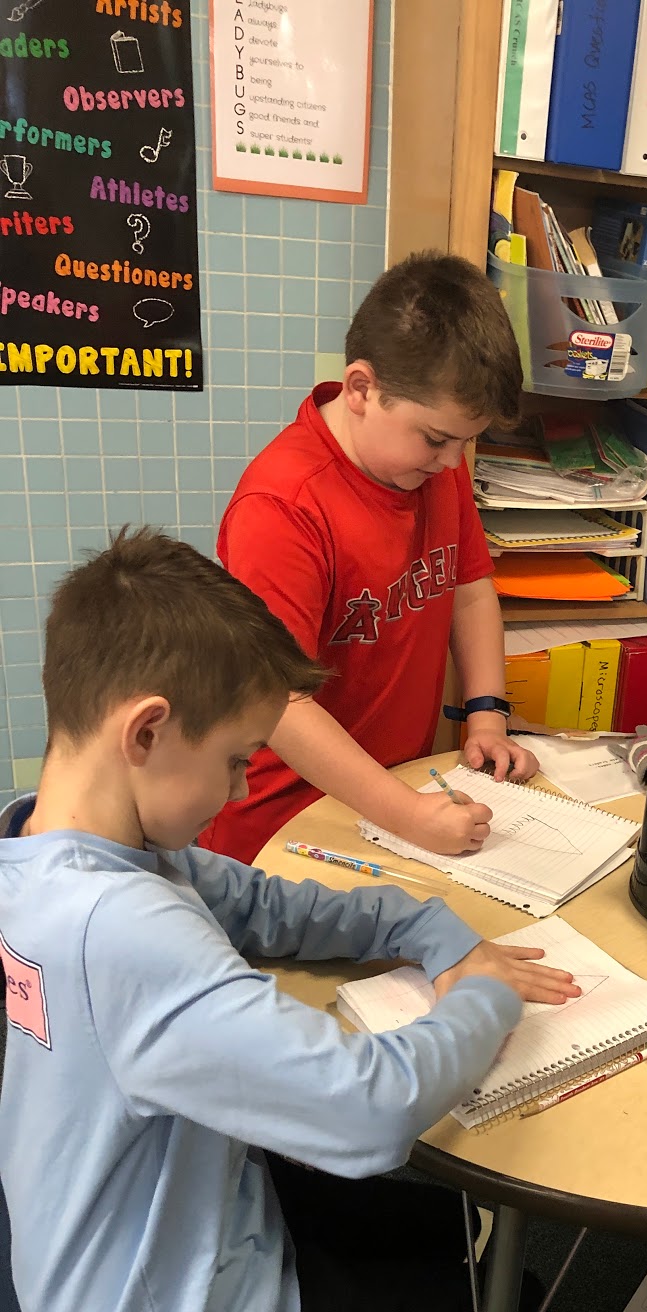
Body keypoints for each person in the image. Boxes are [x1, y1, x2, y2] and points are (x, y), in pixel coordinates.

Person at [0, 530, 647, 1312]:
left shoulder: (46, 846)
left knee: (444, 1224)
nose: (238, 787)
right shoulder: (125, 935)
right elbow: (368, 1110)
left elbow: (269, 905)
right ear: (148, 730)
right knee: (509, 1307)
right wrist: (485, 994)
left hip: (117, 1233)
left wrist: (433, 931)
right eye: (235, 760)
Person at [199, 251, 539, 867]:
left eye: (467, 442)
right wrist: (409, 815)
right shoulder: (282, 507)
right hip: (282, 825)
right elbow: (279, 702)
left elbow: (468, 588)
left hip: (395, 797)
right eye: (437, 439)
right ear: (361, 388)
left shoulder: (433, 467)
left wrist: (487, 716)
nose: (452, 462)